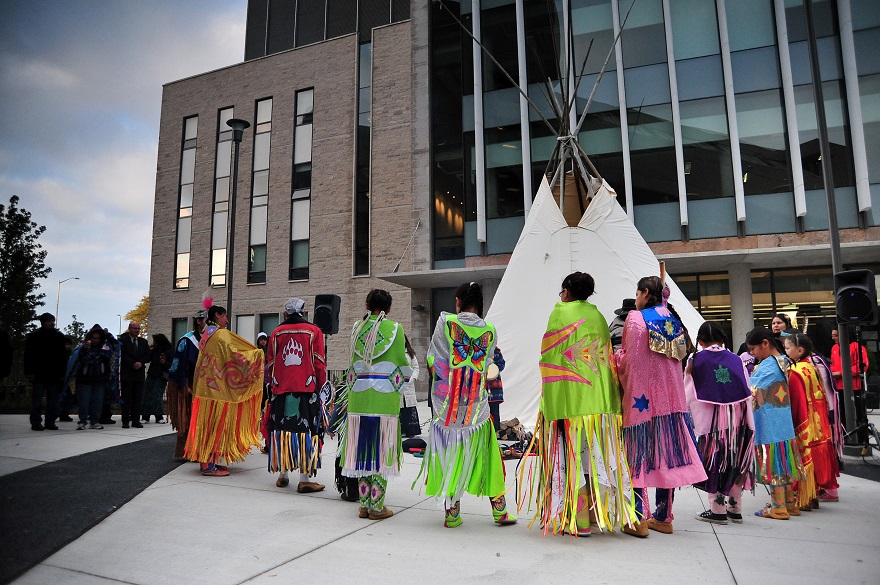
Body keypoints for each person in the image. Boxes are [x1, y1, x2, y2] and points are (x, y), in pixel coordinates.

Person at [523, 272, 635, 537]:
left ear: (566, 291)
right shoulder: (597, 316)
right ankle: (598, 516)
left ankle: (580, 520)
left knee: (571, 460)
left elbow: (549, 356)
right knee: (594, 459)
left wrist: (550, 399)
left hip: (570, 404)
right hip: (599, 406)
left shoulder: (560, 313)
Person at [415, 282, 516, 528]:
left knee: (450, 456)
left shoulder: (446, 324)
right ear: (480, 303)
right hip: (477, 408)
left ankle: (452, 513)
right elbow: (489, 366)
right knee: (489, 457)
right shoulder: (490, 330)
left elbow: (435, 361)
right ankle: (500, 511)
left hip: (448, 408)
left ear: (458, 300)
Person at [615, 276, 707, 537]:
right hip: (672, 400)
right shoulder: (673, 319)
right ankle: (664, 517)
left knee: (638, 456)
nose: (636, 297)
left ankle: (638, 519)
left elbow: (631, 361)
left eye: (637, 292)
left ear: (645, 292)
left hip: (642, 401)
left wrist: (616, 358)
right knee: (667, 457)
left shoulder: (636, 318)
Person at [339, 289, 412, 520]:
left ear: (366, 305)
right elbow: (403, 364)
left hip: (359, 400)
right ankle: (377, 506)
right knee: (381, 453)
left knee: (362, 452)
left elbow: (351, 363)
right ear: (388, 308)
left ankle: (364, 504)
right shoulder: (395, 329)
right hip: (383, 401)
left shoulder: (356, 328)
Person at [684, 322, 755, 525]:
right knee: (733, 461)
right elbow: (747, 388)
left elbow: (688, 392)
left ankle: (717, 510)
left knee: (716, 463)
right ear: (723, 339)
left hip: (712, 425)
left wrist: (688, 417)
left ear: (700, 342)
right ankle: (735, 509)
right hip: (738, 422)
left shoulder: (695, 358)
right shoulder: (736, 359)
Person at [185, 304, 264, 476]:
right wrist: (258, 354)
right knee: (215, 427)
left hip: (206, 390)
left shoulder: (207, 334)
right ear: (218, 315)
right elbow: (235, 355)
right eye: (225, 316)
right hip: (217, 393)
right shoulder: (220, 335)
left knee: (209, 427)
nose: (227, 320)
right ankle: (208, 466)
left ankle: (209, 461)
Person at [263, 298, 327, 491]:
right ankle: (305, 478)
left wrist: (273, 387)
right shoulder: (314, 331)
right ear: (304, 312)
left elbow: (270, 365)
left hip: (281, 390)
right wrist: (322, 387)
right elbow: (319, 364)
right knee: (306, 431)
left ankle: (283, 476)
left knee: (282, 431)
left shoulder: (276, 333)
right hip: (306, 390)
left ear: (285, 314)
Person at [745, 327, 802, 520]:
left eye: (753, 349)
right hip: (782, 420)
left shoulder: (770, 364)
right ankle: (789, 503)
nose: (752, 353)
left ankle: (778, 507)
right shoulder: (783, 361)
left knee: (774, 462)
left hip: (769, 421)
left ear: (765, 344)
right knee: (783, 462)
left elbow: (751, 389)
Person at [784, 332, 839, 510]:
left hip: (804, 422)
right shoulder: (812, 367)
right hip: (818, 423)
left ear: (799, 350)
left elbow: (796, 402)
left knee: (803, 458)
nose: (785, 351)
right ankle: (813, 495)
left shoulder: (795, 371)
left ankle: (804, 498)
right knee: (814, 458)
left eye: (787, 348)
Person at [167, 310, 206, 460]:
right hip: (188, 385)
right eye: (206, 322)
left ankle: (199, 450)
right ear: (199, 321)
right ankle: (185, 451)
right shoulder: (187, 341)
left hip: (205, 387)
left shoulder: (210, 340)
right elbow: (179, 366)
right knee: (188, 418)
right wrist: (184, 386)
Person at [23, 313, 68, 431]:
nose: (51, 323)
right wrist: (29, 372)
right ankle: (36, 421)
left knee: (52, 400)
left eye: (52, 321)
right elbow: (28, 356)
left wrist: (62, 373)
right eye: (48, 321)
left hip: (54, 374)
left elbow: (63, 357)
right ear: (43, 322)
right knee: (37, 400)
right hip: (38, 373)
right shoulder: (34, 336)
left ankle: (50, 421)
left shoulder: (59, 337)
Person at [68, 326, 114, 430]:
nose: (95, 340)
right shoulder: (82, 348)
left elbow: (116, 345)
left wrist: (108, 335)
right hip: (85, 379)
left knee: (98, 402)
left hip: (100, 379)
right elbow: (79, 360)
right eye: (93, 338)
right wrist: (84, 349)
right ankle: (82, 421)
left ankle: (95, 421)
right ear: (90, 338)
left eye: (98, 338)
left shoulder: (105, 349)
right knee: (84, 402)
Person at [119, 321, 150, 429]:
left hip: (139, 375)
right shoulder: (122, 341)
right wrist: (132, 363)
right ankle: (125, 421)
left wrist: (140, 363)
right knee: (126, 399)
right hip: (127, 374)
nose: (137, 330)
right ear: (129, 329)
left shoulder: (143, 342)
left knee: (137, 399)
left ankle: (136, 420)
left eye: (138, 329)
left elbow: (147, 355)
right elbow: (121, 355)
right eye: (135, 328)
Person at [142, 333, 172, 423]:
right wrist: (149, 350)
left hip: (161, 376)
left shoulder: (169, 351)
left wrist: (164, 363)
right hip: (152, 374)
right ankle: (145, 416)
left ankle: (158, 416)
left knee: (157, 396)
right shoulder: (154, 350)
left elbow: (172, 365)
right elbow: (147, 359)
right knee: (146, 395)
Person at [399, 336, 422, 438]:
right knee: (400, 408)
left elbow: (416, 367)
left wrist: (412, 379)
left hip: (409, 384)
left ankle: (410, 431)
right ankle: (400, 430)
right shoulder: (394, 353)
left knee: (409, 407)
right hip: (398, 384)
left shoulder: (410, 353)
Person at [486, 346, 505, 434]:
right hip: (482, 388)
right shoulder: (477, 348)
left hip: (494, 387)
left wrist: (493, 369)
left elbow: (501, 364)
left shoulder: (495, 350)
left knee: (494, 411)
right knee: (482, 412)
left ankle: (496, 433)